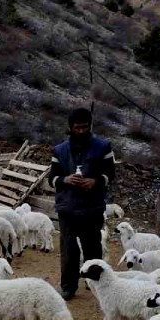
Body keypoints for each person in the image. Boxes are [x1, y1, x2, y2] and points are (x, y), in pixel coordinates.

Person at [50, 107, 116, 301]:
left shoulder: (103, 147)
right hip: (67, 208)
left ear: (90, 126)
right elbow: (52, 178)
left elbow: (110, 174)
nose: (81, 131)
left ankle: (96, 284)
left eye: (84, 127)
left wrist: (95, 181)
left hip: (92, 206)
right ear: (70, 127)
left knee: (92, 248)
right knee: (69, 249)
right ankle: (68, 287)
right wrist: (65, 180)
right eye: (77, 128)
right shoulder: (59, 150)